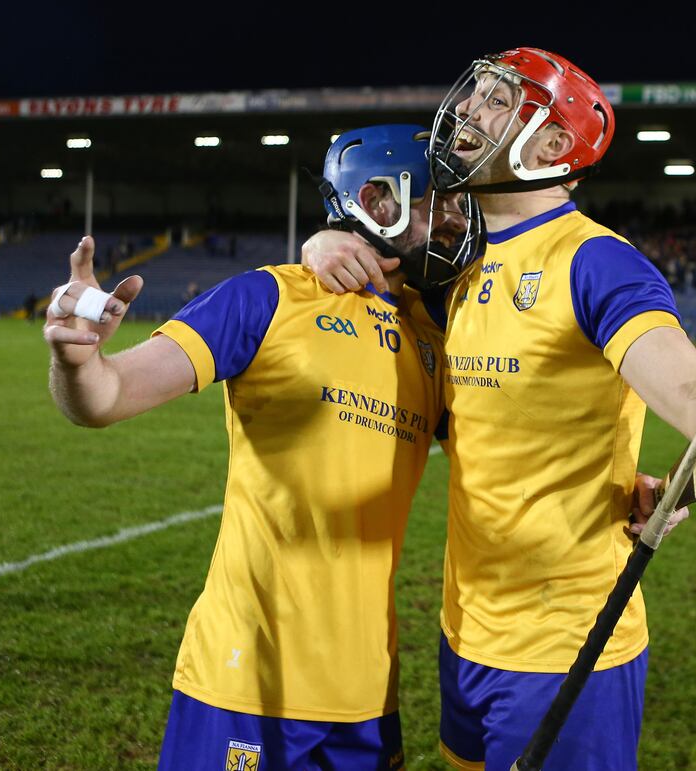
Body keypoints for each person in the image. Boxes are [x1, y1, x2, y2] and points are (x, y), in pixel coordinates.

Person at [304, 48, 696, 770]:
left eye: (497, 100)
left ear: (552, 145)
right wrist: (323, 242)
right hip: (464, 632)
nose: (469, 109)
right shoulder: (459, 268)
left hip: (567, 647)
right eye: (474, 93)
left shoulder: (598, 263)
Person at [43, 125, 483, 771]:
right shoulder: (268, 296)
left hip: (366, 690)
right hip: (246, 678)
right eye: (436, 201)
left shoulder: (435, 337)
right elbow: (107, 397)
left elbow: (509, 443)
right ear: (377, 198)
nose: (453, 220)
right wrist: (79, 362)